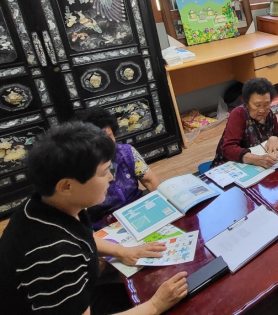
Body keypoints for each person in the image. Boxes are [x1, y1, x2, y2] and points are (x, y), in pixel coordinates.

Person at [0, 122, 187, 315]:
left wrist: (122, 251)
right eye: (104, 172)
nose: (111, 179)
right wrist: (155, 305)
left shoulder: (46, 203)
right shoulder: (56, 256)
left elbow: (82, 235)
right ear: (66, 186)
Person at [75, 108, 160, 230]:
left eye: (109, 136)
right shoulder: (80, 168)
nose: (107, 144)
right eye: (99, 141)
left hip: (139, 209)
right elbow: (78, 212)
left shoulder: (126, 152)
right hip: (105, 223)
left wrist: (163, 207)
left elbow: (150, 181)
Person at [213, 77, 278, 168]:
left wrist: (274, 138)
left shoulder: (270, 114)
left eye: (266, 104)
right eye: (257, 105)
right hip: (235, 164)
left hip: (263, 162)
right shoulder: (238, 114)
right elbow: (228, 149)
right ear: (246, 103)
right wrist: (256, 159)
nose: (262, 110)